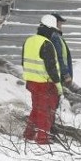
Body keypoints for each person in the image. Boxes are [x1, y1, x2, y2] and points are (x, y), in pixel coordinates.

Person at [22, 14, 63, 144]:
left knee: (37, 108)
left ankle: (29, 134)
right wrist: (58, 84)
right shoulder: (46, 43)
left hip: (31, 82)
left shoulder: (28, 41)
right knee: (45, 110)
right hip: (45, 83)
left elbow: (23, 62)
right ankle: (43, 137)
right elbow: (51, 67)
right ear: (50, 30)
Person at [49, 12, 74, 90]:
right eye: (60, 23)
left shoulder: (54, 36)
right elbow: (60, 57)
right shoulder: (55, 37)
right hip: (60, 75)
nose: (61, 26)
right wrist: (66, 74)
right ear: (55, 23)